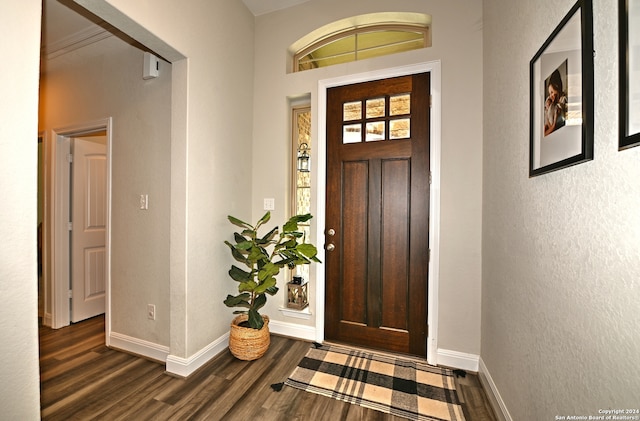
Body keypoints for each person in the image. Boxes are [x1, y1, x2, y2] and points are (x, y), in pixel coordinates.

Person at [543, 69, 567, 136]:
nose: (551, 96)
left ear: (557, 87)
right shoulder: (549, 101)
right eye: (550, 93)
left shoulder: (563, 100)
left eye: (552, 92)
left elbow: (553, 127)